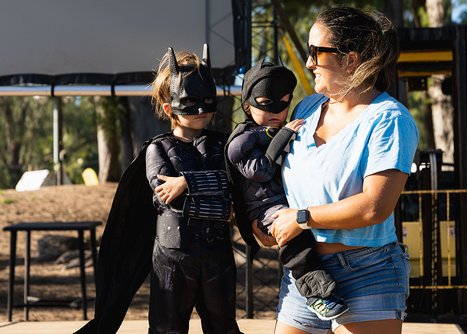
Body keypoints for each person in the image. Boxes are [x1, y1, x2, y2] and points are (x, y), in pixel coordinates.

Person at [251, 7, 418, 334]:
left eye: (315, 52)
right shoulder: (306, 108)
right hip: (304, 271)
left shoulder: (389, 119)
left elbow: (374, 207)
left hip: (368, 273)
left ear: (350, 59)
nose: (309, 62)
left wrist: (299, 218)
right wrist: (266, 221)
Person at [75, 44, 241, 334]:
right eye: (192, 100)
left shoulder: (221, 145)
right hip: (172, 261)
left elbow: (234, 184)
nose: (202, 109)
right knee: (167, 329)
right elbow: (168, 197)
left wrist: (187, 182)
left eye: (207, 99)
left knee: (223, 327)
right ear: (169, 107)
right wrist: (220, 204)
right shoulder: (158, 148)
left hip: (217, 257)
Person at [225, 59, 348, 321]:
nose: (277, 111)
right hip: (267, 208)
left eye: (283, 103)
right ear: (247, 105)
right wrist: (282, 135)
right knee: (296, 243)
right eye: (266, 104)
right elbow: (260, 171)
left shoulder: (278, 128)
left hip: (290, 205)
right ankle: (316, 294)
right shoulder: (242, 140)